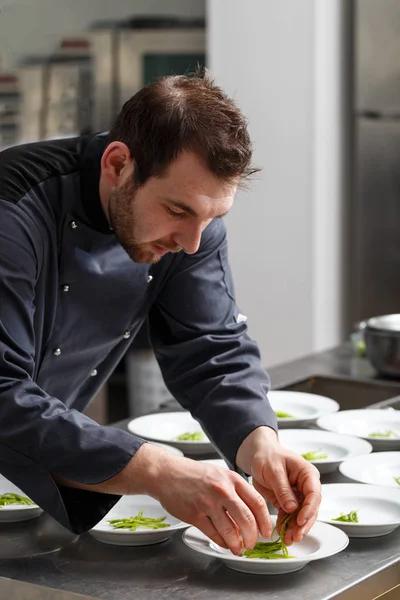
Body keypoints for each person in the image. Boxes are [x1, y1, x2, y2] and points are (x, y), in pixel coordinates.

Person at [0, 70, 321, 554]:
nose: (192, 242)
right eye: (177, 211)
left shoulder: (194, 225)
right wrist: (156, 469)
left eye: (212, 218)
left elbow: (209, 347)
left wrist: (259, 443)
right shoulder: (12, 212)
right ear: (118, 164)